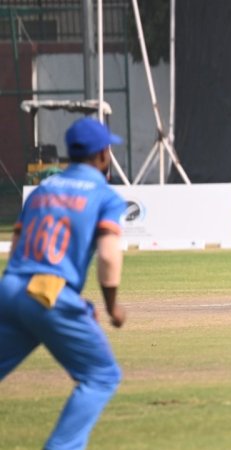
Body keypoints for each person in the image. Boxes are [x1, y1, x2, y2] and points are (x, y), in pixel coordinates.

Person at [0, 117, 127, 449]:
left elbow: (17, 247)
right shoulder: (105, 196)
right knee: (101, 376)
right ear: (102, 154)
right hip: (48, 292)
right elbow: (110, 256)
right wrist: (112, 307)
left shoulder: (41, 191)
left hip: (11, 287)